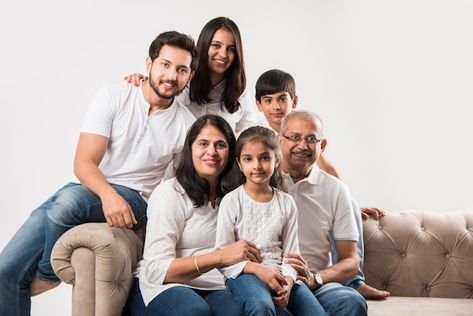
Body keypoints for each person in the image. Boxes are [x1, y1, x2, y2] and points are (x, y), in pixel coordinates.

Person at [0, 31, 198, 315]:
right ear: (149, 64)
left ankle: (48, 273)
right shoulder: (114, 95)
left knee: (68, 203)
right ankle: (43, 273)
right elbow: (83, 162)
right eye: (165, 64)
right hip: (89, 189)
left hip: (138, 201)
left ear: (189, 77)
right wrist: (108, 195)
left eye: (181, 69)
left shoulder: (186, 125)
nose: (171, 75)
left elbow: (177, 188)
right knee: (6, 271)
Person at [255, 70, 390, 299]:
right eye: (268, 100)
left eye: (282, 99)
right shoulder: (259, 140)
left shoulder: (306, 127)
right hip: (272, 262)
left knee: (347, 199)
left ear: (294, 102)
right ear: (259, 105)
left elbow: (326, 168)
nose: (276, 106)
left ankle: (354, 281)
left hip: (313, 265)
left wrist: (343, 202)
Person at [126, 115, 261, 316]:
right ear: (190, 149)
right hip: (163, 285)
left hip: (216, 286)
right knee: (194, 311)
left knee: (241, 310)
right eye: (203, 144)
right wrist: (219, 257)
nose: (212, 152)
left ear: (232, 153)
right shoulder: (170, 193)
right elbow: (156, 270)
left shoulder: (237, 196)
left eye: (221, 145)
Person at [215, 126, 326, 316]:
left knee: (316, 313)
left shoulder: (286, 203)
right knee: (261, 306)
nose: (257, 165)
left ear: (276, 160)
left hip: (281, 273)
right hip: (244, 273)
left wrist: (289, 283)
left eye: (264, 157)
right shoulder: (232, 202)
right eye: (248, 159)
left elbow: (292, 254)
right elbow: (222, 257)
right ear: (239, 163)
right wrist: (259, 270)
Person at [278, 110, 369, 315]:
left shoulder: (336, 190)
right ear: (279, 140)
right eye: (294, 137)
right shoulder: (260, 179)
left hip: (316, 284)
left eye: (311, 139)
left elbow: (350, 260)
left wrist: (315, 278)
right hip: (271, 280)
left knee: (351, 301)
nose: (302, 145)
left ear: (323, 145)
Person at [125, 16, 258, 136]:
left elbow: (250, 133)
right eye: (216, 45)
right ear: (205, 45)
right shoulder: (182, 80)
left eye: (231, 49)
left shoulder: (238, 90)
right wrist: (142, 81)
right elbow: (156, 98)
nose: (223, 54)